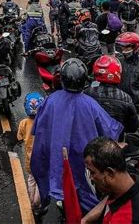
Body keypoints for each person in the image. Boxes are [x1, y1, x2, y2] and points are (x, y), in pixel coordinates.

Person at [31, 58, 123, 212]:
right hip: (85, 165)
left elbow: (39, 133)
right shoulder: (90, 103)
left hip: (59, 162)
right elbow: (110, 130)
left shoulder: (50, 101)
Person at [83, 137, 139, 223]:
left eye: (92, 172)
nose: (90, 177)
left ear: (110, 173)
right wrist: (85, 220)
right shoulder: (133, 181)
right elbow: (109, 200)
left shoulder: (127, 219)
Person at [85, 55, 139, 134]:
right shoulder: (126, 98)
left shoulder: (86, 93)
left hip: (91, 140)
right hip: (115, 142)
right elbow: (132, 128)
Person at [17, 93, 45, 213]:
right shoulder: (44, 122)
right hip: (42, 159)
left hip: (29, 159)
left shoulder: (23, 123)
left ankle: (31, 200)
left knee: (31, 180)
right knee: (41, 181)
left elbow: (19, 137)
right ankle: (37, 204)